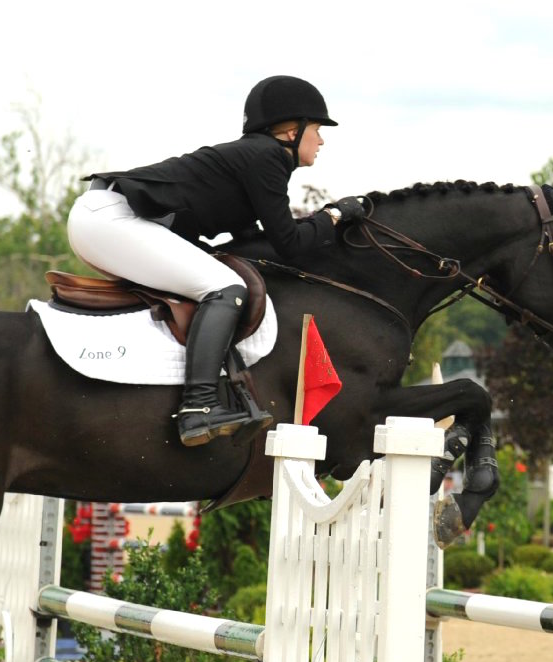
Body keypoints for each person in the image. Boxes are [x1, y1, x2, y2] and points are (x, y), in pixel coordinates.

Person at [67, 75, 366, 447]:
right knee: (226, 288)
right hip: (113, 220)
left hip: (106, 218)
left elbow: (256, 242)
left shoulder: (253, 158)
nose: (321, 140)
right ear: (291, 130)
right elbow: (289, 242)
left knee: (217, 280)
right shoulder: (268, 156)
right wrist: (335, 216)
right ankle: (199, 407)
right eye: (318, 129)